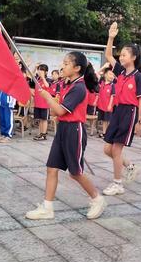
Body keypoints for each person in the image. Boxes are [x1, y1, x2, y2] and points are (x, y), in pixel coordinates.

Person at [26, 51, 106, 220]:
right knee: (52, 167)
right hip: (64, 129)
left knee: (75, 172)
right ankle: (47, 207)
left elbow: (61, 109)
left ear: (77, 68)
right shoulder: (68, 84)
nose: (63, 66)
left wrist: (47, 97)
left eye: (67, 63)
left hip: (74, 131)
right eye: (63, 62)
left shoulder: (79, 87)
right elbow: (62, 111)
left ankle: (97, 199)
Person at [102, 22, 141, 196]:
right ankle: (130, 167)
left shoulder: (139, 77)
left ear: (133, 57)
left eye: (125, 54)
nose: (121, 57)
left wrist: (139, 121)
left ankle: (118, 184)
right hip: (118, 111)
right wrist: (111, 37)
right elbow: (108, 55)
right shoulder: (120, 72)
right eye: (121, 54)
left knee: (116, 149)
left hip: (130, 112)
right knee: (108, 149)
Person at [32, 64, 51, 141]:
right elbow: (30, 76)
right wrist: (34, 68)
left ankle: (44, 134)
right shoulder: (37, 79)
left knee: (44, 119)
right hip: (37, 103)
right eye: (39, 70)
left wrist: (43, 77)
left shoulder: (48, 80)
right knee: (40, 119)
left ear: (46, 72)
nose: (40, 71)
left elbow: (47, 86)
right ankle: (40, 133)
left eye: (41, 70)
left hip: (45, 104)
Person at [96, 67, 115, 138]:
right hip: (101, 105)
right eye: (110, 74)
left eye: (113, 75)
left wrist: (110, 105)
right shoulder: (102, 82)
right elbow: (97, 74)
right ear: (105, 75)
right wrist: (104, 67)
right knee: (104, 120)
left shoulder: (112, 85)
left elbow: (112, 96)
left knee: (108, 121)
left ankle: (108, 133)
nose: (112, 76)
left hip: (108, 106)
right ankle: (104, 133)